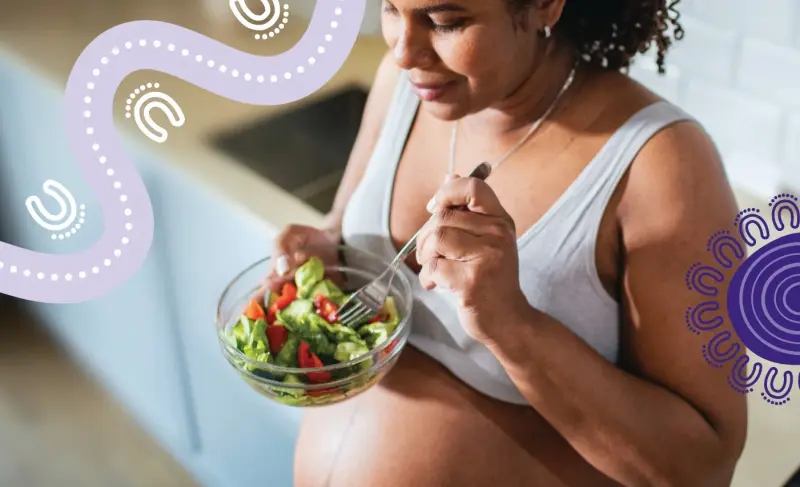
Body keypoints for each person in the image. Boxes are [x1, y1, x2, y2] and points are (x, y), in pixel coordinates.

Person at [269, 0, 748, 485]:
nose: (403, 52)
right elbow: (341, 220)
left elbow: (705, 469)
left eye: (445, 22)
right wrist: (327, 248)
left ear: (545, 6)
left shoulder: (663, 163)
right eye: (391, 8)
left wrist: (511, 323)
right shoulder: (405, 85)